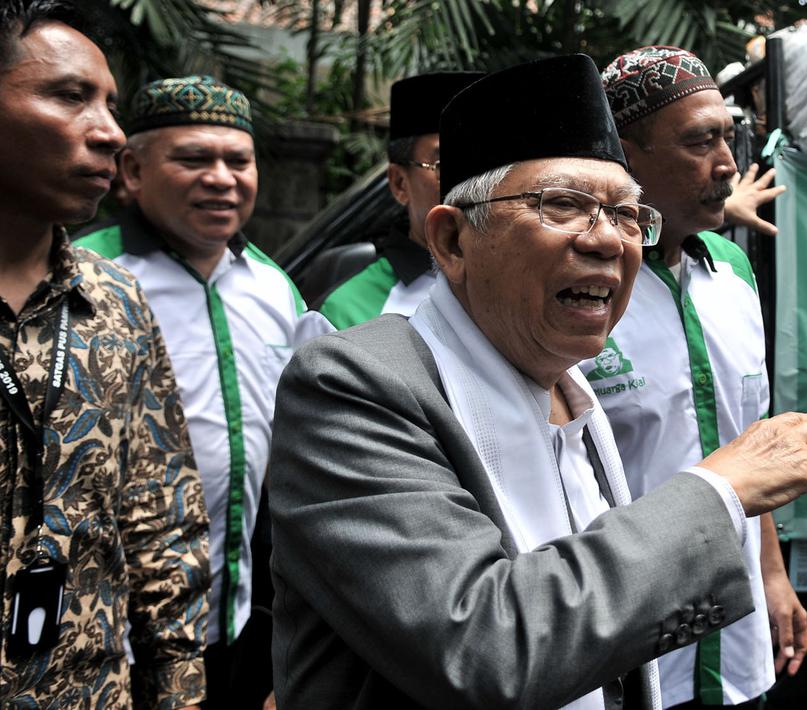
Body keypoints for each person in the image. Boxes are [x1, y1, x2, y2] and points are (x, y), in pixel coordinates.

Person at [268, 54, 807, 710]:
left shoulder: (570, 385)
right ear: (452, 240)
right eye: (563, 204)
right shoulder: (354, 385)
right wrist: (718, 492)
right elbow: (483, 648)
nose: (608, 240)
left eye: (628, 216)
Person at [0, 2, 208, 707]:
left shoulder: (115, 300)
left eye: (109, 104)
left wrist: (178, 694)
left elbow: (162, 522)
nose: (110, 133)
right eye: (68, 95)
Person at [582, 45, 802, 708]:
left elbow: (749, 442)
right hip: (630, 654)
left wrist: (771, 575)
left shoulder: (731, 279)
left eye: (727, 136)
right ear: (627, 156)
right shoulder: (583, 293)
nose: (729, 163)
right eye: (698, 142)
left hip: (737, 651)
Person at [76, 75, 302, 708]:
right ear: (133, 170)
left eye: (239, 160)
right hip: (102, 634)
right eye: (194, 159)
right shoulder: (86, 278)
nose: (222, 178)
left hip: (236, 619)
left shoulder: (274, 288)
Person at [299, 71, 482, 335]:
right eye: (445, 164)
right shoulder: (346, 312)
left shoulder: (528, 288)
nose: (471, 180)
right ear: (399, 183)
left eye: (485, 165)